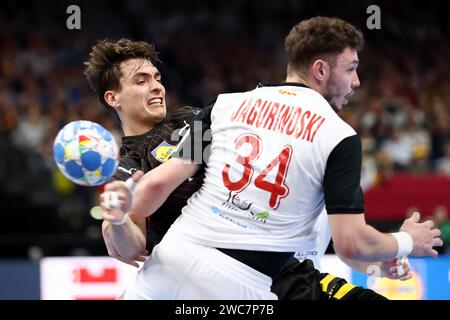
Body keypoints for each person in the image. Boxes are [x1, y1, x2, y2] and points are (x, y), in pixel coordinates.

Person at [100, 17, 442, 300]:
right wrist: (116, 221)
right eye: (350, 69)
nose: (356, 82)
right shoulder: (335, 134)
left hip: (239, 256)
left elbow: (157, 185)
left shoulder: (216, 110)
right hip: (249, 270)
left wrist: (377, 256)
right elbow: (131, 240)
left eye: (157, 78)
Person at [83, 38, 204, 267]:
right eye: (141, 81)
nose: (157, 86)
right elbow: (133, 249)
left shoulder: (190, 118)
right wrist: (117, 220)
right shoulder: (126, 168)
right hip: (190, 265)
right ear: (113, 98)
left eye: (157, 78)